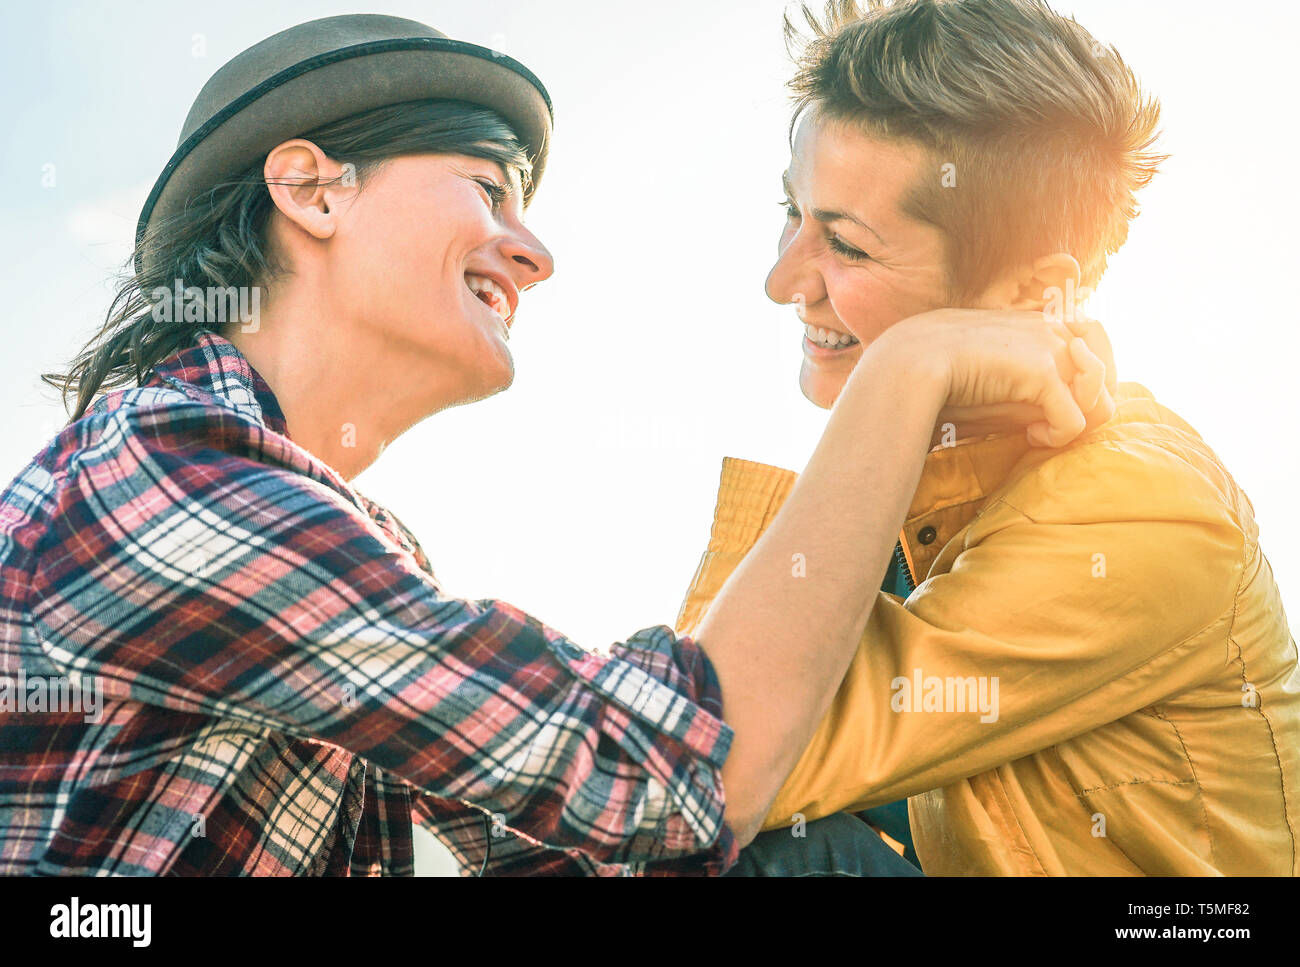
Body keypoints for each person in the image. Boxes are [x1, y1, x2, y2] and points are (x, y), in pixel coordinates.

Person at [0, 13, 1109, 876]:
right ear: (309, 189)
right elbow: (664, 777)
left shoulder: (325, 532)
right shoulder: (163, 472)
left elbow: (574, 837)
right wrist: (905, 372)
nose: (532, 252)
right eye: (491, 191)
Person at [681, 0, 1298, 876]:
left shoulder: (1136, 509)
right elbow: (657, 753)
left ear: (1027, 293)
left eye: (846, 247)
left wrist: (901, 371)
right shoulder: (919, 504)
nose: (782, 280)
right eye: (793, 212)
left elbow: (702, 768)